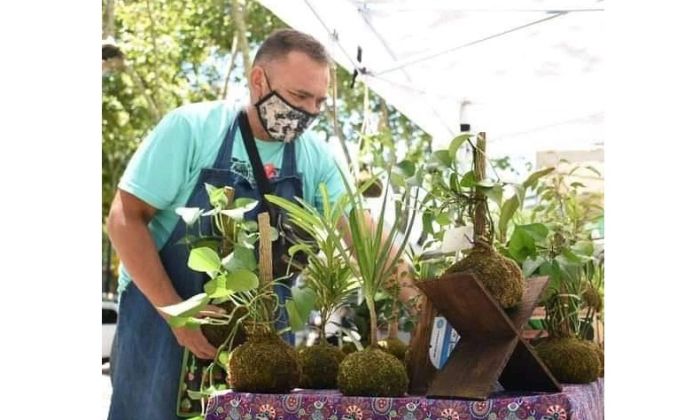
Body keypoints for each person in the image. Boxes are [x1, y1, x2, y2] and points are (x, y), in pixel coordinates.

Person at [106, 28, 420, 420]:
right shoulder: (193, 128)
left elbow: (362, 234)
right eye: (299, 97)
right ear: (258, 80)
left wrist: (428, 307)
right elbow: (124, 219)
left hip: (262, 342)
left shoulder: (314, 159)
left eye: (319, 101)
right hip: (159, 321)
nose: (309, 112)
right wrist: (177, 313)